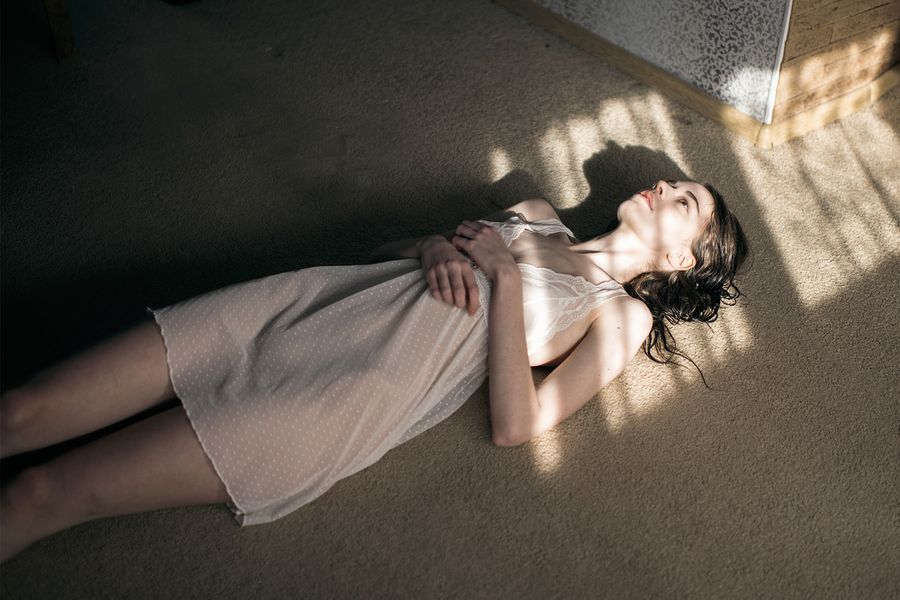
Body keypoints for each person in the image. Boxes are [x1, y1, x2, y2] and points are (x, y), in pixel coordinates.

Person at [0, 179, 749, 562]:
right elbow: (395, 255)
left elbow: (519, 426)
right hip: (309, 305)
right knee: (20, 413)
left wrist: (507, 279)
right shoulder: (535, 209)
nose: (661, 186)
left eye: (683, 201)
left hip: (342, 395)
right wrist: (430, 247)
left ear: (682, 261)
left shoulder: (623, 315)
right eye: (669, 180)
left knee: (44, 491)